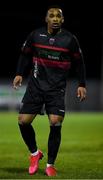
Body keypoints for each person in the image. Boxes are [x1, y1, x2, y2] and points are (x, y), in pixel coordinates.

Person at [13, 5, 87, 176]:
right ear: (46, 19)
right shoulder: (35, 35)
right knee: (23, 121)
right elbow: (24, 54)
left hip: (56, 89)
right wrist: (19, 73)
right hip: (36, 86)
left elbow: (79, 63)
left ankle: (50, 164)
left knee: (55, 122)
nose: (55, 19)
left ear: (62, 20)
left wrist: (81, 84)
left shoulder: (70, 39)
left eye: (58, 16)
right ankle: (34, 153)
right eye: (51, 16)